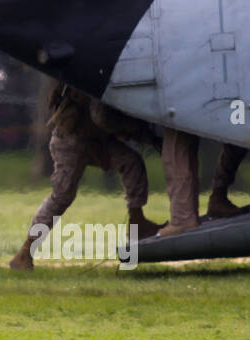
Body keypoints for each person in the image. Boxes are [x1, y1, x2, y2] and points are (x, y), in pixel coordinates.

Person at [9, 84, 163, 270]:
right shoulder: (92, 76)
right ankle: (25, 253)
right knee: (62, 195)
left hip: (96, 140)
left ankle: (137, 223)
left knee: (132, 163)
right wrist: (145, 136)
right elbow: (102, 117)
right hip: (70, 137)